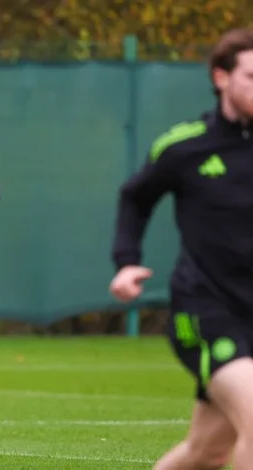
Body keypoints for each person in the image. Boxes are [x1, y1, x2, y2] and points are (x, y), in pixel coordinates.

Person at [110, 28, 253, 470]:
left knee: (206, 452)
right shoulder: (185, 145)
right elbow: (135, 197)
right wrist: (127, 262)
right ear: (221, 77)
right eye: (251, 76)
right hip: (207, 309)